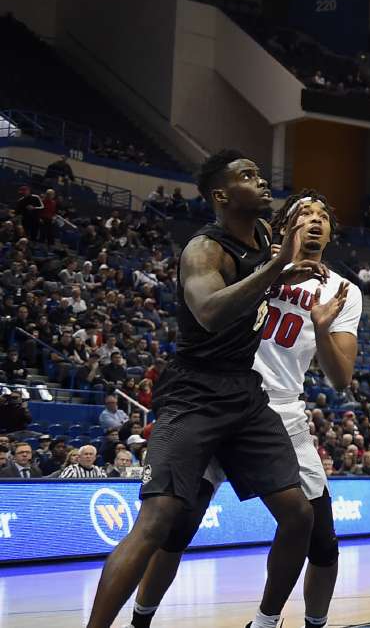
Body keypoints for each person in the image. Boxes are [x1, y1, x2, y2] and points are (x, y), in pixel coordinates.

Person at [84, 150, 320, 628]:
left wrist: (285, 261)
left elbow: (275, 263)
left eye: (258, 173)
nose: (260, 181)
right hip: (194, 393)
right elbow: (210, 313)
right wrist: (277, 268)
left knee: (299, 515)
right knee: (159, 521)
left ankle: (265, 622)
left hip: (245, 394)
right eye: (247, 177)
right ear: (221, 195)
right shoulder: (204, 250)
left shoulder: (263, 235)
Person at [124, 191, 361, 628]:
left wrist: (322, 329)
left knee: (322, 540)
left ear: (331, 231)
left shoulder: (343, 291)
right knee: (177, 529)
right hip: (217, 399)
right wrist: (274, 267)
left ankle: (278, 623)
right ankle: (141, 619)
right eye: (302, 213)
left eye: (322, 215)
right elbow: (208, 309)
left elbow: (341, 378)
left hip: (282, 412)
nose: (313, 220)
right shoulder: (251, 262)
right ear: (283, 225)